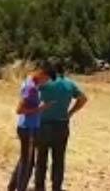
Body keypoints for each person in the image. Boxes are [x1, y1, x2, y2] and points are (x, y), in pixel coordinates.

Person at [34, 62, 89, 191]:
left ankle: (39, 187)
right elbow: (83, 98)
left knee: (41, 158)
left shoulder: (46, 82)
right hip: (61, 125)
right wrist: (71, 112)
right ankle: (56, 187)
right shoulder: (69, 84)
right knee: (59, 159)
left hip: (44, 124)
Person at [8, 63, 53, 191]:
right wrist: (40, 108)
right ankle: (20, 188)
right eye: (46, 79)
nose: (46, 82)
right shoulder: (31, 88)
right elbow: (19, 110)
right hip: (28, 129)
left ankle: (12, 186)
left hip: (27, 127)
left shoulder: (30, 82)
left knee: (25, 159)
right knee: (27, 163)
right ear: (41, 73)